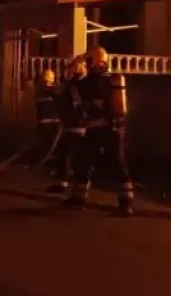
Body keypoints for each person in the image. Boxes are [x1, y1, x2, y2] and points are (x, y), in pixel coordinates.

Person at [67, 46, 134, 216]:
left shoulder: (91, 80)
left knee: (85, 162)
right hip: (116, 128)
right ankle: (125, 204)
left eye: (88, 60)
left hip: (98, 127)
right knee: (118, 164)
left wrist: (76, 66)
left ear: (92, 61)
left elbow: (75, 87)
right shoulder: (112, 78)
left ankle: (78, 199)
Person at [45, 56, 87, 194]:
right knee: (70, 155)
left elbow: (70, 102)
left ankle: (64, 184)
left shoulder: (73, 85)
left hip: (75, 125)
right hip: (81, 125)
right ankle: (69, 184)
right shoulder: (83, 83)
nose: (69, 69)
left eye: (72, 66)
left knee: (65, 154)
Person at [32, 68, 60, 165]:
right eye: (51, 77)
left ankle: (43, 162)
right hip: (49, 120)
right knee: (48, 144)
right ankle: (44, 162)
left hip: (46, 120)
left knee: (46, 143)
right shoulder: (45, 88)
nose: (52, 79)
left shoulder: (40, 88)